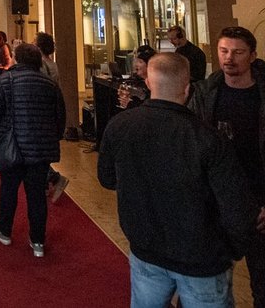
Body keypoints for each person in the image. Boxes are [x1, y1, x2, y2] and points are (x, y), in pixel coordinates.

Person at [98, 52, 256, 308]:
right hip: (200, 257)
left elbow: (107, 178)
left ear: (149, 83)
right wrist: (230, 250)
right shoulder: (207, 138)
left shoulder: (120, 125)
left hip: (147, 247)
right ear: (188, 89)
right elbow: (235, 205)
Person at [188, 26, 265, 308]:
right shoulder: (206, 93)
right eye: (224, 51)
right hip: (219, 205)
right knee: (209, 285)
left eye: (238, 52)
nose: (229, 58)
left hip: (261, 206)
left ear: (253, 55)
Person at [0, 43, 64, 258]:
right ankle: (37, 240)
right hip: (40, 149)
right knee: (37, 195)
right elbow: (60, 118)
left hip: (13, 144)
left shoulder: (6, 80)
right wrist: (52, 138)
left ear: (18, 59)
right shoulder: (50, 84)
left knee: (9, 188)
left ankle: (4, 229)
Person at [34, 32, 71, 202]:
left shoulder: (41, 64)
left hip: (41, 110)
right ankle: (45, 183)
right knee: (40, 150)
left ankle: (52, 179)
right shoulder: (52, 64)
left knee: (36, 151)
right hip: (49, 111)